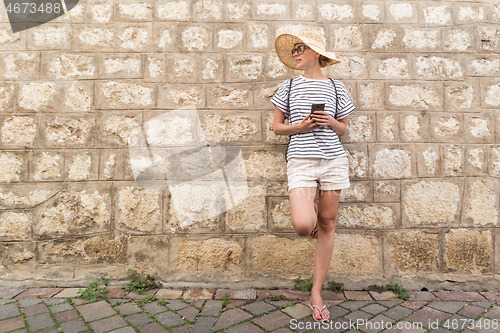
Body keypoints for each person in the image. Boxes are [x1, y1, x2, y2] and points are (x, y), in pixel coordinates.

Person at [271, 30, 355, 321]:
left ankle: (316, 292)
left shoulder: (336, 87)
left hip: (333, 161)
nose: (296, 53)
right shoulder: (289, 87)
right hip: (302, 161)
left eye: (301, 48)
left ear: (316, 53)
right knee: (304, 225)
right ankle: (313, 208)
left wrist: (330, 121)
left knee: (328, 224)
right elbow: (277, 127)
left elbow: (343, 129)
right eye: (293, 50)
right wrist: (300, 127)